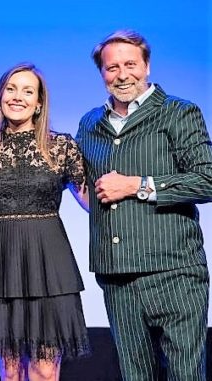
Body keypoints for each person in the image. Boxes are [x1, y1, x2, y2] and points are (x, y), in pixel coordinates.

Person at [76, 30, 212, 380]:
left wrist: (137, 186)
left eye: (130, 65)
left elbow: (207, 179)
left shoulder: (178, 113)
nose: (122, 75)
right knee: (134, 374)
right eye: (111, 68)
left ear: (147, 66)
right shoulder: (90, 123)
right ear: (102, 73)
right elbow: (89, 190)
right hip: (117, 274)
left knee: (185, 373)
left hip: (173, 272)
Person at [0, 63, 90, 381]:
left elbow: (92, 201)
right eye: (11, 89)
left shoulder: (60, 148)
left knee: (44, 371)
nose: (17, 97)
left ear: (39, 103)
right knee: (10, 374)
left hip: (48, 268)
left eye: (27, 90)